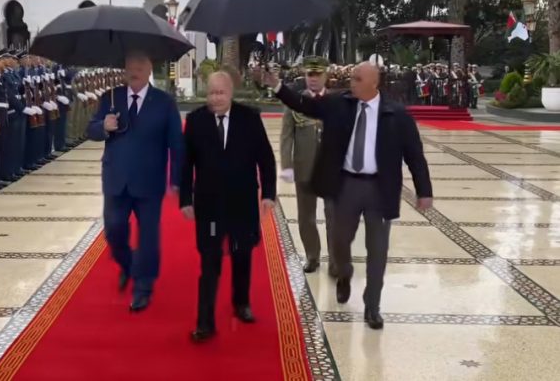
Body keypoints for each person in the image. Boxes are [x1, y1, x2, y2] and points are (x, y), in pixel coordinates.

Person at [263, 61, 432, 330]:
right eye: (352, 77)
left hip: (380, 190)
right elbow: (304, 105)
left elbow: (415, 156)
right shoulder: (338, 104)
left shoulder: (397, 115)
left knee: (378, 250)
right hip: (347, 186)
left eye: (357, 79)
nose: (351, 82)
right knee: (339, 240)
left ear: (374, 83)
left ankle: (372, 306)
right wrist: (278, 86)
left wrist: (424, 191)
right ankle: (344, 272)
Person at [181, 71, 276, 342]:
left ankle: (241, 302)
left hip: (242, 203)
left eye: (221, 93)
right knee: (209, 261)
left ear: (231, 93)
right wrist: (185, 199)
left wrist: (268, 194)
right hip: (209, 205)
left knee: (241, 253)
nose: (216, 98)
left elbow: (266, 159)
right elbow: (186, 164)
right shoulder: (196, 120)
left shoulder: (250, 118)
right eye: (211, 93)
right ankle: (205, 322)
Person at [86, 50, 183, 312]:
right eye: (130, 64)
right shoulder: (111, 97)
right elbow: (90, 129)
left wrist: (177, 178)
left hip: (149, 180)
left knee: (149, 236)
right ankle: (128, 265)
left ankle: (144, 286)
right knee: (114, 230)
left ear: (150, 69)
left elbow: (176, 143)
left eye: (141, 64)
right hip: (116, 177)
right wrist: (103, 126)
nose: (135, 69)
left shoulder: (164, 102)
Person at [279, 58, 336, 276]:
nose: (313, 79)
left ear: (325, 76)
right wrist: (286, 165)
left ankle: (335, 260)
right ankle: (312, 255)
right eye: (309, 75)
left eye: (317, 74)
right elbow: (286, 136)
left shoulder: (337, 102)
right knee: (306, 217)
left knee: (334, 217)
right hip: (304, 168)